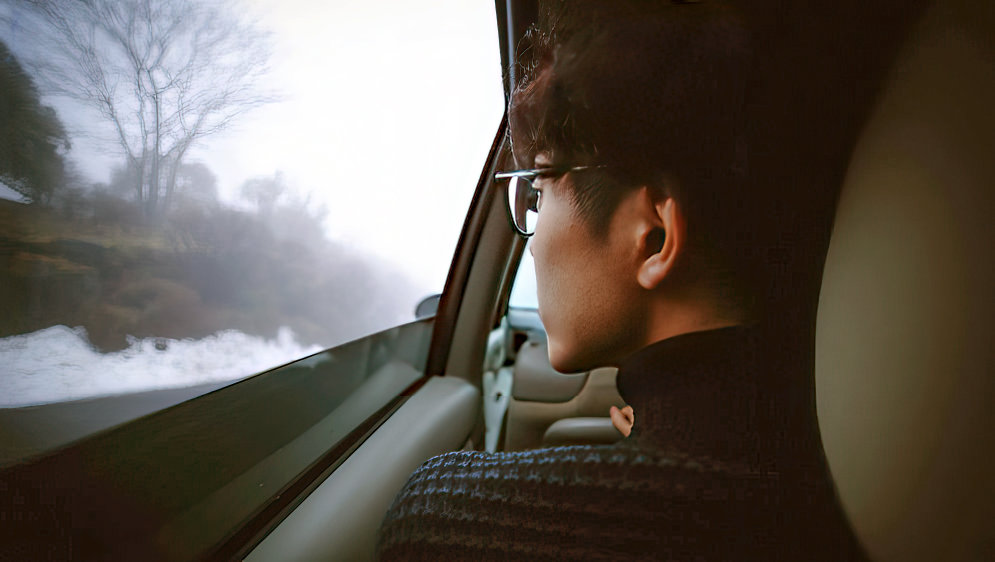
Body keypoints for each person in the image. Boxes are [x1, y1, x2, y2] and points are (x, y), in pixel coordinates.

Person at [376, 1, 917, 559]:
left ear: (654, 238)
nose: (532, 243)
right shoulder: (828, 464)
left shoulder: (439, 521)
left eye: (539, 190)